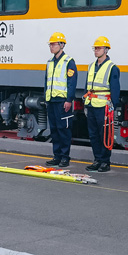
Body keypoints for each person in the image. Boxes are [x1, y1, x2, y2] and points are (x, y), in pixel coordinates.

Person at [83, 36, 120, 173]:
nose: (96, 50)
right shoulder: (91, 66)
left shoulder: (112, 68)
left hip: (104, 107)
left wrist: (112, 107)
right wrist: (86, 104)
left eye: (98, 48)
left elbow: (115, 90)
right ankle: (97, 159)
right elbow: (87, 85)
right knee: (93, 135)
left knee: (104, 134)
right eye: (95, 48)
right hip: (91, 104)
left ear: (106, 50)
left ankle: (105, 161)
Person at [44, 32, 76, 167]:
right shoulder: (50, 62)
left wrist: (69, 100)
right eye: (50, 45)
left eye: (54, 44)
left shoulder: (69, 61)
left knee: (64, 129)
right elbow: (46, 81)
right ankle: (57, 156)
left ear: (61, 45)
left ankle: (65, 157)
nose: (51, 47)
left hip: (62, 101)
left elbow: (71, 82)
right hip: (51, 100)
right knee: (54, 129)